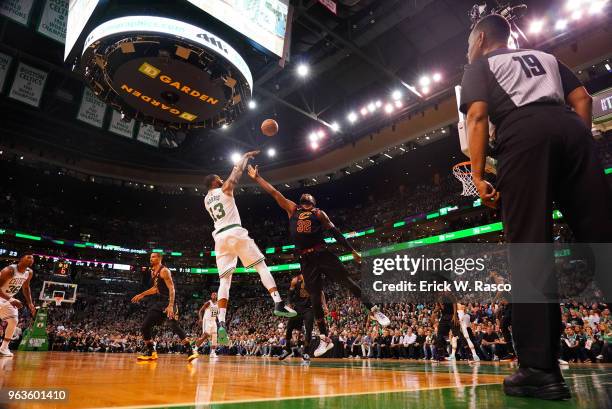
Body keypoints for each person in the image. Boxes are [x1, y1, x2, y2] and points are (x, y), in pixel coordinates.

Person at [460, 13, 612, 399]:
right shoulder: (545, 58)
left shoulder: (480, 65)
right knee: (602, 238)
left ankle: (539, 370)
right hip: (571, 129)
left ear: (480, 38)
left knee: (530, 249)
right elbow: (583, 99)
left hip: (523, 135)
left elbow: (477, 116)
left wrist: (479, 176)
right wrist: (575, 136)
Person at [247, 165, 390, 358]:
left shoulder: (319, 213)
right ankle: (325, 338)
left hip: (322, 253)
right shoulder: (292, 208)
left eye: (308, 196)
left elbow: (335, 233)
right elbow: (274, 192)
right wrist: (257, 178)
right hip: (306, 259)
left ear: (312, 202)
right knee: (314, 298)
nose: (306, 195)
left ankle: (374, 310)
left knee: (347, 281)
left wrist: (352, 251)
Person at [203, 151, 297, 345]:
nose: (222, 180)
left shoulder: (205, 200)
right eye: (219, 179)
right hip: (235, 232)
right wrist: (245, 157)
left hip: (219, 238)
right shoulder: (225, 189)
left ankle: (221, 322)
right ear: (215, 182)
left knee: (225, 282)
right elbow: (236, 173)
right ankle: (278, 302)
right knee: (261, 266)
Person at [131, 252, 198, 361]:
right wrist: (142, 294)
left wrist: (171, 305)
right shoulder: (153, 272)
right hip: (159, 303)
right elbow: (155, 289)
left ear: (159, 258)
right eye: (150, 257)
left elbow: (172, 289)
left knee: (173, 325)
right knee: (144, 327)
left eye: (153, 257)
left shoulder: (164, 271)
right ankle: (151, 352)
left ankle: (190, 350)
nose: (151, 259)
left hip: (169, 302)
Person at [0, 255, 36, 357]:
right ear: (21, 260)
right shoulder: (9, 270)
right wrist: (11, 300)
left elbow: (26, 287)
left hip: (7, 298)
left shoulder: (29, 272)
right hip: (4, 297)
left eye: (32, 258)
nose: (31, 258)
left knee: (13, 321)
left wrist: (30, 303)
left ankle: (4, 348)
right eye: (28, 256)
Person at [279, 274, 319, 361]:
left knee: (309, 329)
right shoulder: (296, 280)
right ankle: (288, 349)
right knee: (289, 328)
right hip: (297, 308)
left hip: (309, 309)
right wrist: (289, 303)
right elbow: (290, 294)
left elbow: (321, 293)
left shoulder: (313, 279)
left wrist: (325, 306)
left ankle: (306, 352)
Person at [197, 292, 219, 358]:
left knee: (215, 337)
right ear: (211, 296)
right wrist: (200, 319)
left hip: (213, 321)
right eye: (213, 294)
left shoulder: (218, 304)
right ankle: (195, 348)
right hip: (207, 320)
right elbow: (200, 311)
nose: (214, 295)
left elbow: (216, 314)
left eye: (215, 294)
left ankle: (212, 353)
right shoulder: (208, 303)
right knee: (205, 336)